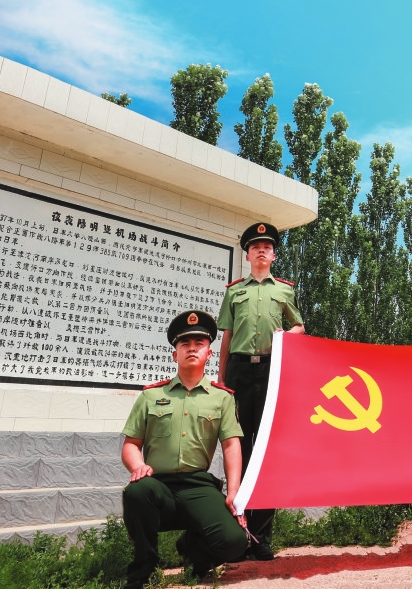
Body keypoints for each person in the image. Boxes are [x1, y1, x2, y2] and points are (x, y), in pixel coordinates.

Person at [120, 310, 248, 587]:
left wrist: (234, 491)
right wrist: (138, 467)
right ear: (174, 354)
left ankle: (192, 551)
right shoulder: (152, 395)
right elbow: (131, 444)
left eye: (199, 343)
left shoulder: (222, 398)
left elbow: (231, 445)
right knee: (137, 491)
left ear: (209, 354)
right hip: (158, 486)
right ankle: (143, 570)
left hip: (198, 486)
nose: (191, 348)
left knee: (235, 541)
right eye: (184, 344)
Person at [216, 221, 304, 561]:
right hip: (239, 371)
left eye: (267, 247)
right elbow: (226, 336)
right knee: (239, 446)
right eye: (256, 247)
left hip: (270, 371)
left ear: (274, 255)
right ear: (248, 255)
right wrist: (222, 381)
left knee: (266, 449)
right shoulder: (234, 291)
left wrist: (286, 335)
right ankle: (237, 533)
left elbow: (299, 326)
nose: (262, 251)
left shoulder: (284, 290)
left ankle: (261, 537)